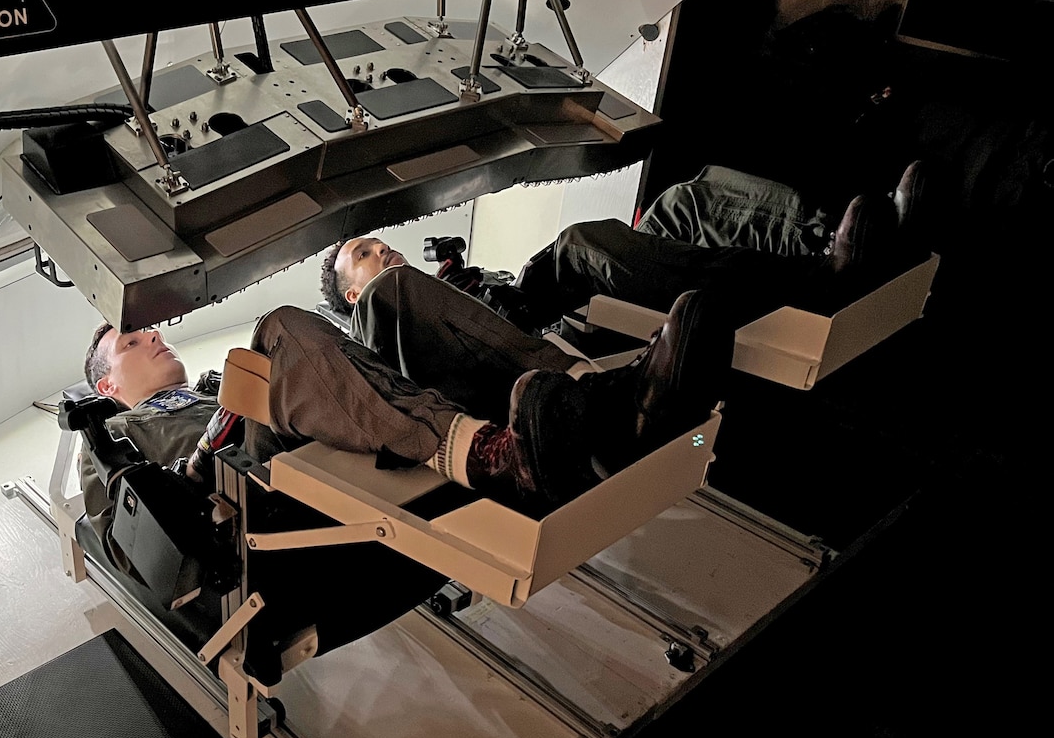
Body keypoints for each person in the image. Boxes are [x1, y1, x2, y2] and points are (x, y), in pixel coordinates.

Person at [79, 283, 733, 565]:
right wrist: (199, 455)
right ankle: (486, 454)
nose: (154, 335)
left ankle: (606, 401)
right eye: (133, 340)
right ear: (108, 384)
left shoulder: (218, 383)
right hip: (252, 488)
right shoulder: (112, 438)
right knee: (276, 329)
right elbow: (121, 535)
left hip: (334, 432)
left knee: (392, 292)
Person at [322, 162, 933, 335]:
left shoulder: (425, 288)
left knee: (688, 198)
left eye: (379, 242)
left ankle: (825, 239)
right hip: (529, 320)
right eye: (367, 253)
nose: (385, 249)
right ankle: (824, 276)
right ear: (355, 293)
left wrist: (457, 268)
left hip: (522, 294)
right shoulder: (380, 327)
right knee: (580, 243)